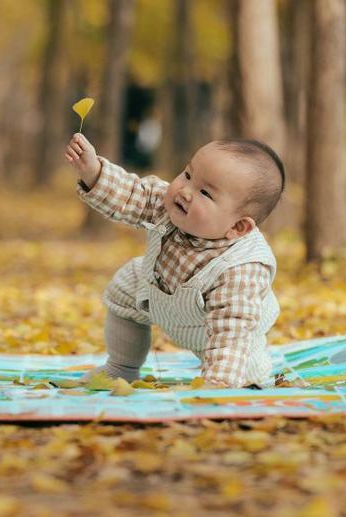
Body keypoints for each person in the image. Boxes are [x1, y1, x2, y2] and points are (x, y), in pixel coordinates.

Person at [64, 132, 284, 388]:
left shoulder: (241, 269)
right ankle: (121, 366)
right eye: (188, 175)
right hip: (162, 297)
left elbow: (231, 332)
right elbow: (132, 194)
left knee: (246, 373)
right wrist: (93, 172)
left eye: (205, 193)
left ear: (238, 226)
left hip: (215, 329)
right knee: (128, 282)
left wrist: (216, 385)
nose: (186, 192)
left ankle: (233, 377)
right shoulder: (169, 204)